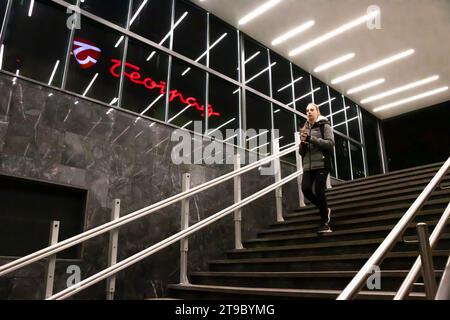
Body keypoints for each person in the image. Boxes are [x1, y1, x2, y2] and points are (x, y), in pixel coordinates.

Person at [299, 103, 335, 233]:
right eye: (307, 110)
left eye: (312, 110)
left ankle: (325, 223)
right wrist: (302, 144)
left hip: (322, 163)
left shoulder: (324, 125)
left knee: (319, 191)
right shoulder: (304, 128)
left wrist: (311, 139)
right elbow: (301, 152)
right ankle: (325, 209)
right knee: (306, 189)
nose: (309, 112)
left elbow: (330, 144)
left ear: (317, 112)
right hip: (308, 166)